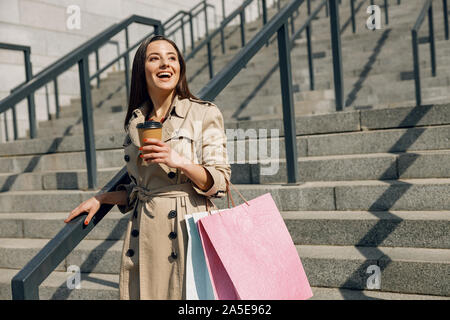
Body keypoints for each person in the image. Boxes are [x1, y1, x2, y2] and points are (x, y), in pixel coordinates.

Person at [64, 35, 231, 300]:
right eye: (155, 58)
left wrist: (178, 161)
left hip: (186, 229)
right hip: (143, 232)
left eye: (172, 58)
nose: (165, 64)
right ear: (142, 70)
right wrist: (103, 198)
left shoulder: (203, 113)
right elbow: (142, 187)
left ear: (180, 67)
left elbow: (220, 182)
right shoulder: (136, 120)